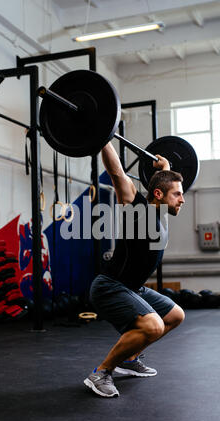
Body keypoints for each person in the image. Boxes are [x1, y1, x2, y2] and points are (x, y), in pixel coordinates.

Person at [84, 141, 186, 398]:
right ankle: (101, 372)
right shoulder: (137, 209)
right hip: (110, 287)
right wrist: (102, 135)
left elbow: (158, 186)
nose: (183, 199)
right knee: (153, 326)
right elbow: (118, 172)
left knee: (175, 316)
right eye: (178, 194)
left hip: (133, 288)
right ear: (160, 196)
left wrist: (165, 169)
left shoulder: (161, 212)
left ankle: (130, 359)